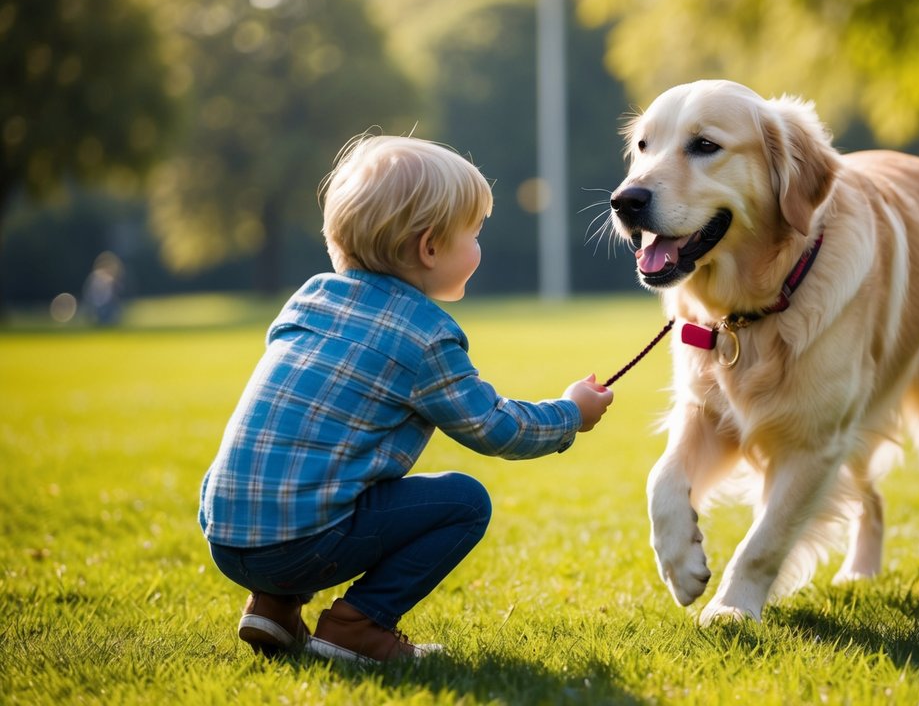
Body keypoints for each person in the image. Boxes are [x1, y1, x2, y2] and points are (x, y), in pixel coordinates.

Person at [198, 133, 614, 664]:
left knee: (312, 469)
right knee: (463, 502)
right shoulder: (425, 336)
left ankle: (273, 607)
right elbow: (494, 427)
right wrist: (570, 413)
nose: (480, 245)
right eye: (475, 232)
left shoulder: (310, 298)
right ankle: (357, 625)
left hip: (226, 535)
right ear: (431, 248)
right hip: (297, 545)